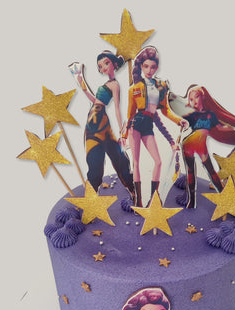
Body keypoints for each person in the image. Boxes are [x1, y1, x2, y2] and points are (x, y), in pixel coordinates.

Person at [124, 46, 188, 206]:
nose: (149, 70)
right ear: (141, 66)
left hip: (148, 126)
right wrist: (124, 135)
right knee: (136, 163)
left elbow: (166, 111)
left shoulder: (161, 86)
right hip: (135, 126)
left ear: (157, 67)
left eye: (152, 67)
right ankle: (138, 202)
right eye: (146, 66)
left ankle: (153, 200)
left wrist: (178, 120)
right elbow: (130, 114)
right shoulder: (134, 89)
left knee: (158, 161)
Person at [171, 85, 235, 208]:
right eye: (191, 99)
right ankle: (191, 202)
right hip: (188, 145)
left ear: (203, 97)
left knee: (211, 172)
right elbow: (180, 115)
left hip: (201, 146)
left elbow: (221, 127)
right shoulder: (192, 115)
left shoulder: (210, 115)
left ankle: (225, 198)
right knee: (190, 172)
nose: (193, 101)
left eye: (196, 97)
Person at [69, 52, 135, 199]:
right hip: (92, 120)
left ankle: (132, 189)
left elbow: (117, 108)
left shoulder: (115, 85)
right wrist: (83, 86)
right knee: (94, 157)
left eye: (106, 63)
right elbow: (95, 101)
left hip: (101, 120)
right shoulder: (105, 85)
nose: (103, 68)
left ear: (114, 63)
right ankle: (91, 197)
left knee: (117, 156)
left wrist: (122, 131)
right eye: (100, 66)